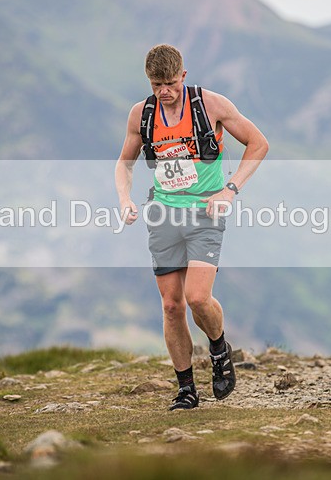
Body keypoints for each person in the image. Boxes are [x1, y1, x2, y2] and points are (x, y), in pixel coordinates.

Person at [115, 44, 269, 410]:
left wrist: (230, 190)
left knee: (198, 297)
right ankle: (186, 389)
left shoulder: (211, 105)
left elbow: (258, 144)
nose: (164, 91)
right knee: (171, 305)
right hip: (163, 214)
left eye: (169, 83)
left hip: (205, 213)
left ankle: (218, 348)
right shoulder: (141, 114)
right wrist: (125, 199)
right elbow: (124, 163)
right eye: (156, 84)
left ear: (183, 76)